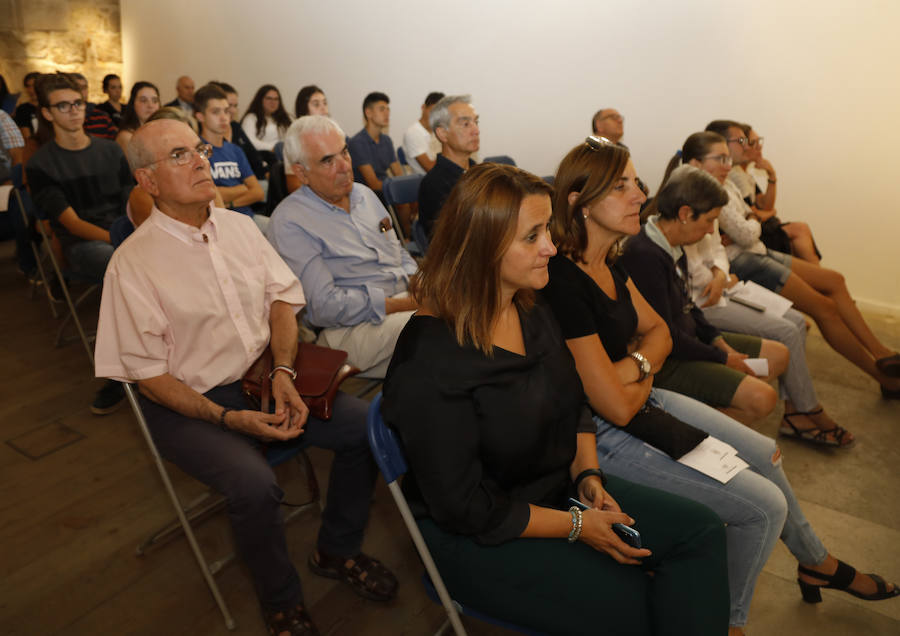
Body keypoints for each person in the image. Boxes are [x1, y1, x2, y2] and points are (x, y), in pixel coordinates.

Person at [542, 137, 899, 635]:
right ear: (579, 200)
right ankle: (726, 624)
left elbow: (662, 331)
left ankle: (814, 559)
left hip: (641, 399)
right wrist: (642, 366)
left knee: (768, 454)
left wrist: (633, 367)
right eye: (621, 185)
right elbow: (614, 407)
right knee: (763, 508)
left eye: (635, 181)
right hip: (601, 432)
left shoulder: (610, 260)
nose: (640, 193)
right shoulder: (563, 279)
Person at [383, 161, 730, 635]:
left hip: (559, 493)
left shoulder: (531, 307)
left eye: (546, 228)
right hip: (484, 535)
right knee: (640, 602)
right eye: (532, 236)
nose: (550, 246)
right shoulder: (431, 360)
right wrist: (575, 526)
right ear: (481, 246)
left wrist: (587, 474)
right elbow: (465, 508)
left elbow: (574, 403)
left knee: (701, 531)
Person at [95, 118, 397, 636]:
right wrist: (228, 417)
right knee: (254, 484)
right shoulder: (132, 264)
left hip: (265, 376)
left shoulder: (237, 226)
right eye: (178, 155)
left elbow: (282, 298)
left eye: (199, 149)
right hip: (187, 400)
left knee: (367, 427)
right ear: (147, 181)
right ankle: (281, 602)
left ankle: (336, 549)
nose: (199, 161)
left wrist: (282, 370)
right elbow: (149, 378)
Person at [676, 131, 900, 400]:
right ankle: (883, 374)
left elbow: (757, 213)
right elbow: (746, 231)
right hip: (745, 259)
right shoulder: (707, 190)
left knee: (834, 281)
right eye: (743, 142)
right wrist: (753, 219)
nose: (749, 148)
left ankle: (881, 354)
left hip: (753, 252)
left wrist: (763, 194)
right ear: (696, 162)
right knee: (821, 309)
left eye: (730, 153)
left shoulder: (733, 179)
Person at [614, 154, 789, 423]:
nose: (710, 231)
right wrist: (721, 358)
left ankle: (713, 412)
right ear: (685, 214)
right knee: (763, 398)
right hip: (669, 360)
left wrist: (719, 342)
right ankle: (710, 428)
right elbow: (666, 335)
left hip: (690, 340)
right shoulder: (644, 254)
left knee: (778, 354)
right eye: (709, 220)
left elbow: (688, 306)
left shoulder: (672, 242)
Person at [267, 116, 417, 378]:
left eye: (345, 152)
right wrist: (409, 305)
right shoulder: (290, 221)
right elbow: (324, 307)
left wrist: (419, 280)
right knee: (444, 328)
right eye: (328, 160)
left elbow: (399, 252)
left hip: (405, 303)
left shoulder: (366, 196)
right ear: (301, 172)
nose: (345, 166)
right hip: (350, 330)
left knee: (482, 304)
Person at [26, 72, 133, 415]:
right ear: (46, 113)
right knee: (124, 268)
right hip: (82, 246)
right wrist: (125, 243)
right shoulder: (42, 163)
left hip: (123, 235)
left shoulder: (110, 150)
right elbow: (71, 223)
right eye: (63, 106)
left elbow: (132, 200)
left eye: (78, 103)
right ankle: (122, 374)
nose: (74, 111)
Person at [706, 120, 820, 263]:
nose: (751, 146)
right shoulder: (732, 177)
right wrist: (760, 215)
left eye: (756, 142)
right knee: (800, 230)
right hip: (752, 240)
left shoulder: (743, 176)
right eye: (746, 141)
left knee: (801, 233)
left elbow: (761, 208)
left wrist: (772, 177)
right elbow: (754, 215)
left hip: (753, 236)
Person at [193, 83, 265, 230]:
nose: (224, 117)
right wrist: (242, 188)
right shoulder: (196, 152)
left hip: (247, 217)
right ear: (200, 116)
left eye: (226, 111)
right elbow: (208, 196)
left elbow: (258, 192)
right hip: (217, 223)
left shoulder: (235, 150)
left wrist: (230, 203)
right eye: (215, 112)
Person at [416, 94, 480, 237]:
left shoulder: (479, 171)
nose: (476, 130)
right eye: (465, 124)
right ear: (442, 133)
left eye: (476, 122)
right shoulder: (434, 185)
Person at [347, 92, 404, 203]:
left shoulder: (386, 140)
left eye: (388, 109)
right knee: (402, 201)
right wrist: (398, 186)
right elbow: (373, 184)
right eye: (382, 109)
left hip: (386, 187)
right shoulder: (358, 143)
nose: (387, 113)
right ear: (368, 113)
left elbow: (398, 174)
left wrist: (404, 185)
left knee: (413, 193)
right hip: (366, 196)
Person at [216, 81, 266, 179]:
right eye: (229, 106)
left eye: (235, 106)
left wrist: (268, 175)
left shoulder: (235, 126)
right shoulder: (210, 134)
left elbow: (254, 157)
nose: (233, 111)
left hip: (248, 180)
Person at [240, 84, 292, 164]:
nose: (273, 102)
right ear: (260, 100)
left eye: (276, 99)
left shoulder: (285, 119)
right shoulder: (251, 118)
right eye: (269, 98)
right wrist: (274, 148)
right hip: (263, 158)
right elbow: (250, 142)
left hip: (285, 158)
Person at [401, 91, 444, 174]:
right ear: (423, 107)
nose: (435, 117)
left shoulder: (438, 131)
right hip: (424, 182)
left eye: (439, 114)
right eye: (433, 111)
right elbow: (430, 168)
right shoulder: (413, 133)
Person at [115, 81, 160, 154]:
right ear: (133, 104)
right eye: (143, 100)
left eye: (155, 101)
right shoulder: (127, 137)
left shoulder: (161, 132)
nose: (150, 105)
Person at [70, 73, 118, 140]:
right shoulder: (65, 116)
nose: (81, 91)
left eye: (84, 87)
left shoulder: (102, 117)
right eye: (77, 88)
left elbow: (116, 142)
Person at [13, 72, 40, 138]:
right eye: (28, 86)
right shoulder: (23, 109)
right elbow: (27, 136)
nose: (31, 90)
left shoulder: (50, 106)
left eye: (34, 85)